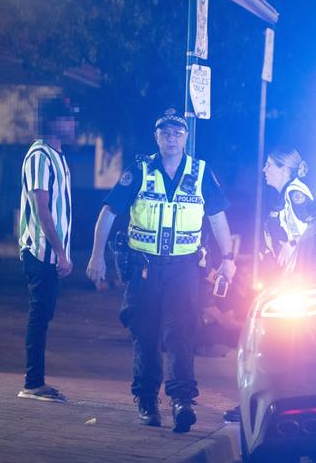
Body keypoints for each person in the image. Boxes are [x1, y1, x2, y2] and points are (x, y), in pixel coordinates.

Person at [86, 108, 236, 433]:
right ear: (157, 137)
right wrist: (96, 256)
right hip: (144, 267)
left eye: (177, 133)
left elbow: (217, 217)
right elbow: (109, 213)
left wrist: (228, 258)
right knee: (146, 333)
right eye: (165, 133)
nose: (171, 138)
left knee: (180, 333)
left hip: (183, 268)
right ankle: (146, 400)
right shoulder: (140, 169)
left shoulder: (200, 172)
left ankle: (182, 401)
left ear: (186, 138)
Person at [223, 146, 313, 423]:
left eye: (269, 166)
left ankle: (264, 404)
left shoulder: (295, 193)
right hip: (282, 280)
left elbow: (313, 225)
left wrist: (294, 244)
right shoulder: (284, 194)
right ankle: (260, 402)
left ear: (285, 168)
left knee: (269, 341)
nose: (264, 170)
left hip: (293, 282)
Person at [17, 96, 77, 403]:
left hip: (51, 253)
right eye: (67, 119)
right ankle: (32, 382)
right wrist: (61, 252)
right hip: (40, 252)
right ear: (53, 122)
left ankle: (36, 380)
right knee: (39, 314)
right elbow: (42, 209)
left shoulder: (57, 156)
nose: (73, 124)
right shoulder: (40, 155)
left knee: (44, 313)